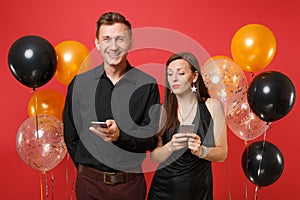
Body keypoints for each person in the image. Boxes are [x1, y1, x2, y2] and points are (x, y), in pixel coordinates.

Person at [63, 12, 160, 200]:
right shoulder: (80, 84)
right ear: (97, 43)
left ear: (130, 43)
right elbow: (71, 135)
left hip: (131, 186)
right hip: (89, 185)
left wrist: (120, 137)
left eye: (120, 39)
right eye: (106, 39)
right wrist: (88, 170)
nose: (113, 47)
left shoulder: (147, 84)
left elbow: (151, 138)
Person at [148, 52, 228, 200]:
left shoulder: (212, 107)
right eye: (170, 74)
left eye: (181, 73)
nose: (174, 79)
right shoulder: (162, 111)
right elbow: (155, 157)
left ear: (195, 76)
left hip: (198, 191)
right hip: (162, 191)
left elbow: (222, 153)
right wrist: (171, 146)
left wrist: (201, 151)